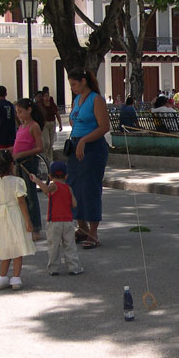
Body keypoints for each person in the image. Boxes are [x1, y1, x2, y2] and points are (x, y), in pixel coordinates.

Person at [67, 68, 110, 249]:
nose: (73, 88)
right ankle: (82, 226)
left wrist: (84, 139)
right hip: (75, 147)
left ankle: (93, 232)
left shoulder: (96, 99)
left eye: (74, 84)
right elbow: (73, 119)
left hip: (92, 148)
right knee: (74, 187)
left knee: (90, 188)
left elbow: (104, 126)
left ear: (83, 81)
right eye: (70, 85)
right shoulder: (77, 100)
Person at [0, 149, 36, 291]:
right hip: (16, 214)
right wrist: (27, 220)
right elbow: (21, 202)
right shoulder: (17, 182)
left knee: (5, 245)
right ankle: (16, 278)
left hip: (2, 217)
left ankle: (2, 277)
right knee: (17, 245)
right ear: (11, 165)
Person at [29, 161, 83, 276]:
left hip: (54, 222)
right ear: (66, 176)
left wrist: (36, 180)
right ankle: (73, 267)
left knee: (53, 246)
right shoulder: (68, 188)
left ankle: (53, 268)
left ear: (50, 176)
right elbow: (74, 204)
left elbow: (46, 190)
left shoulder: (53, 186)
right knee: (70, 245)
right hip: (68, 222)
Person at [12, 98, 44, 241]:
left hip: (28, 163)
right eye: (17, 112)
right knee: (21, 196)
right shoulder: (21, 126)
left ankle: (35, 228)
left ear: (29, 110)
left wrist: (21, 154)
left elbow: (39, 148)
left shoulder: (34, 126)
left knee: (30, 196)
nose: (18, 115)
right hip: (18, 164)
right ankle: (26, 226)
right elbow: (17, 146)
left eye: (20, 111)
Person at [40, 90, 63, 163]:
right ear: (43, 97)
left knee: (51, 142)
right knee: (46, 142)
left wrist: (60, 124)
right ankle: (45, 156)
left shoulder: (52, 105)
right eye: (45, 96)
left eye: (48, 96)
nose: (47, 98)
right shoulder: (40, 105)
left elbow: (57, 114)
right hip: (45, 125)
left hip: (52, 124)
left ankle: (50, 159)